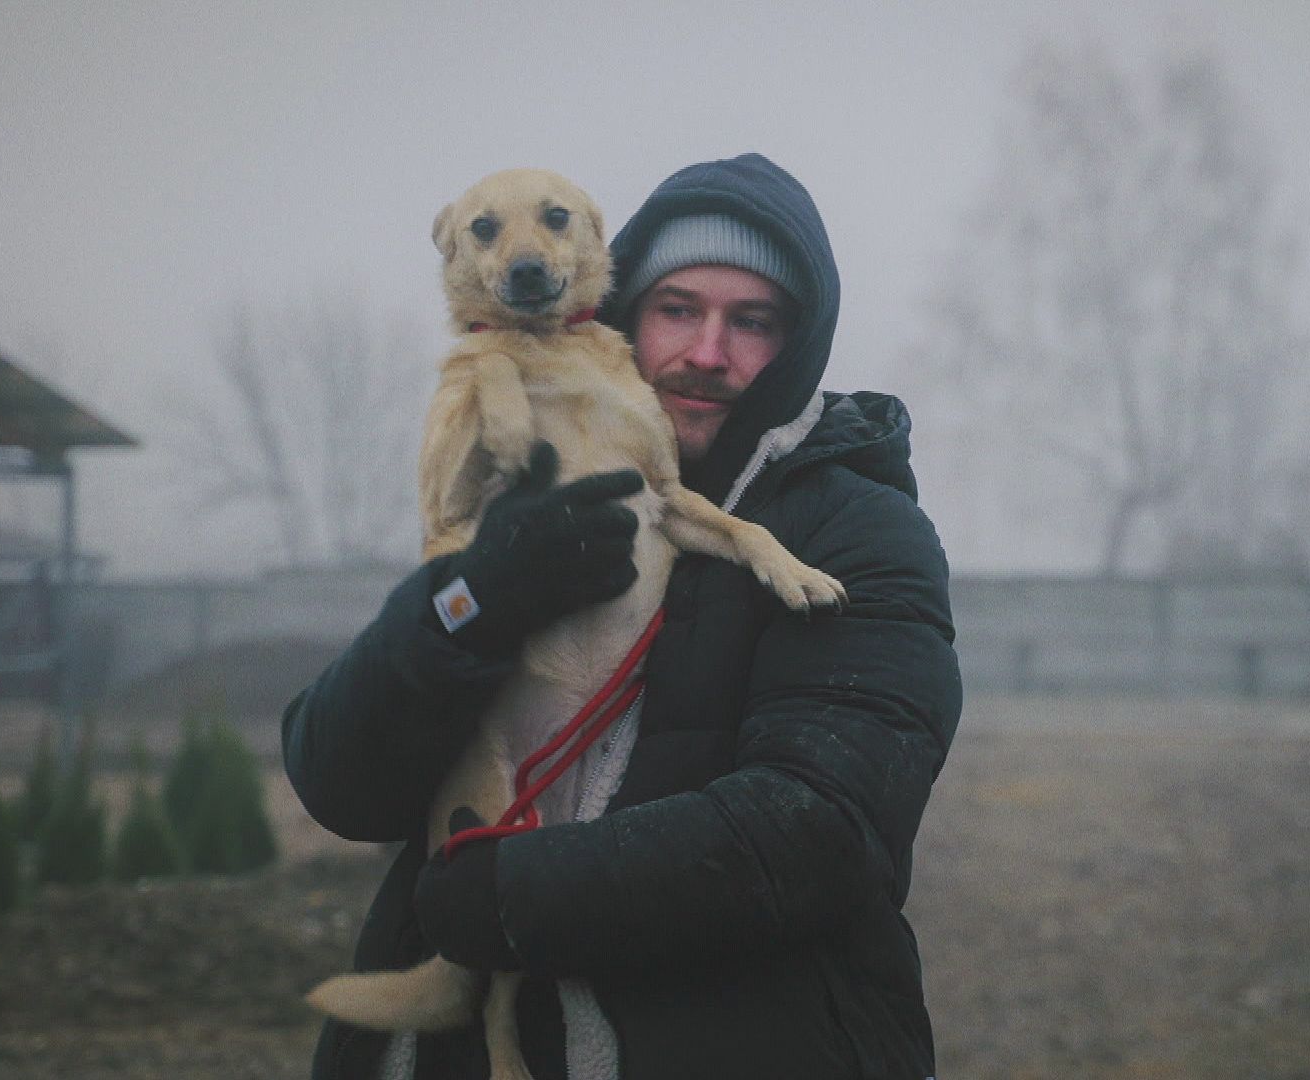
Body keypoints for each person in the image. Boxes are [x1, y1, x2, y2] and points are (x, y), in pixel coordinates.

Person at [283, 152, 961, 1080]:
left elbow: (820, 832)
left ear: (799, 342)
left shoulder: (860, 529)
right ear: (623, 305)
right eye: (678, 309)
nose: (708, 354)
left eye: (752, 322)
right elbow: (338, 780)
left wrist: (516, 899)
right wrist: (471, 601)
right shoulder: (518, 480)